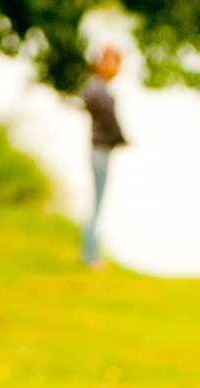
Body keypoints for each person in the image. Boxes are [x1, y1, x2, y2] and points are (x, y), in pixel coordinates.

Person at [80, 47, 128, 269]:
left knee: (96, 203)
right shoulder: (100, 91)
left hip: (98, 149)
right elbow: (111, 125)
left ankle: (90, 252)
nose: (118, 68)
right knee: (97, 203)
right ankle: (90, 256)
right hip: (100, 150)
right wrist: (122, 139)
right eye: (115, 62)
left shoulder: (94, 88)